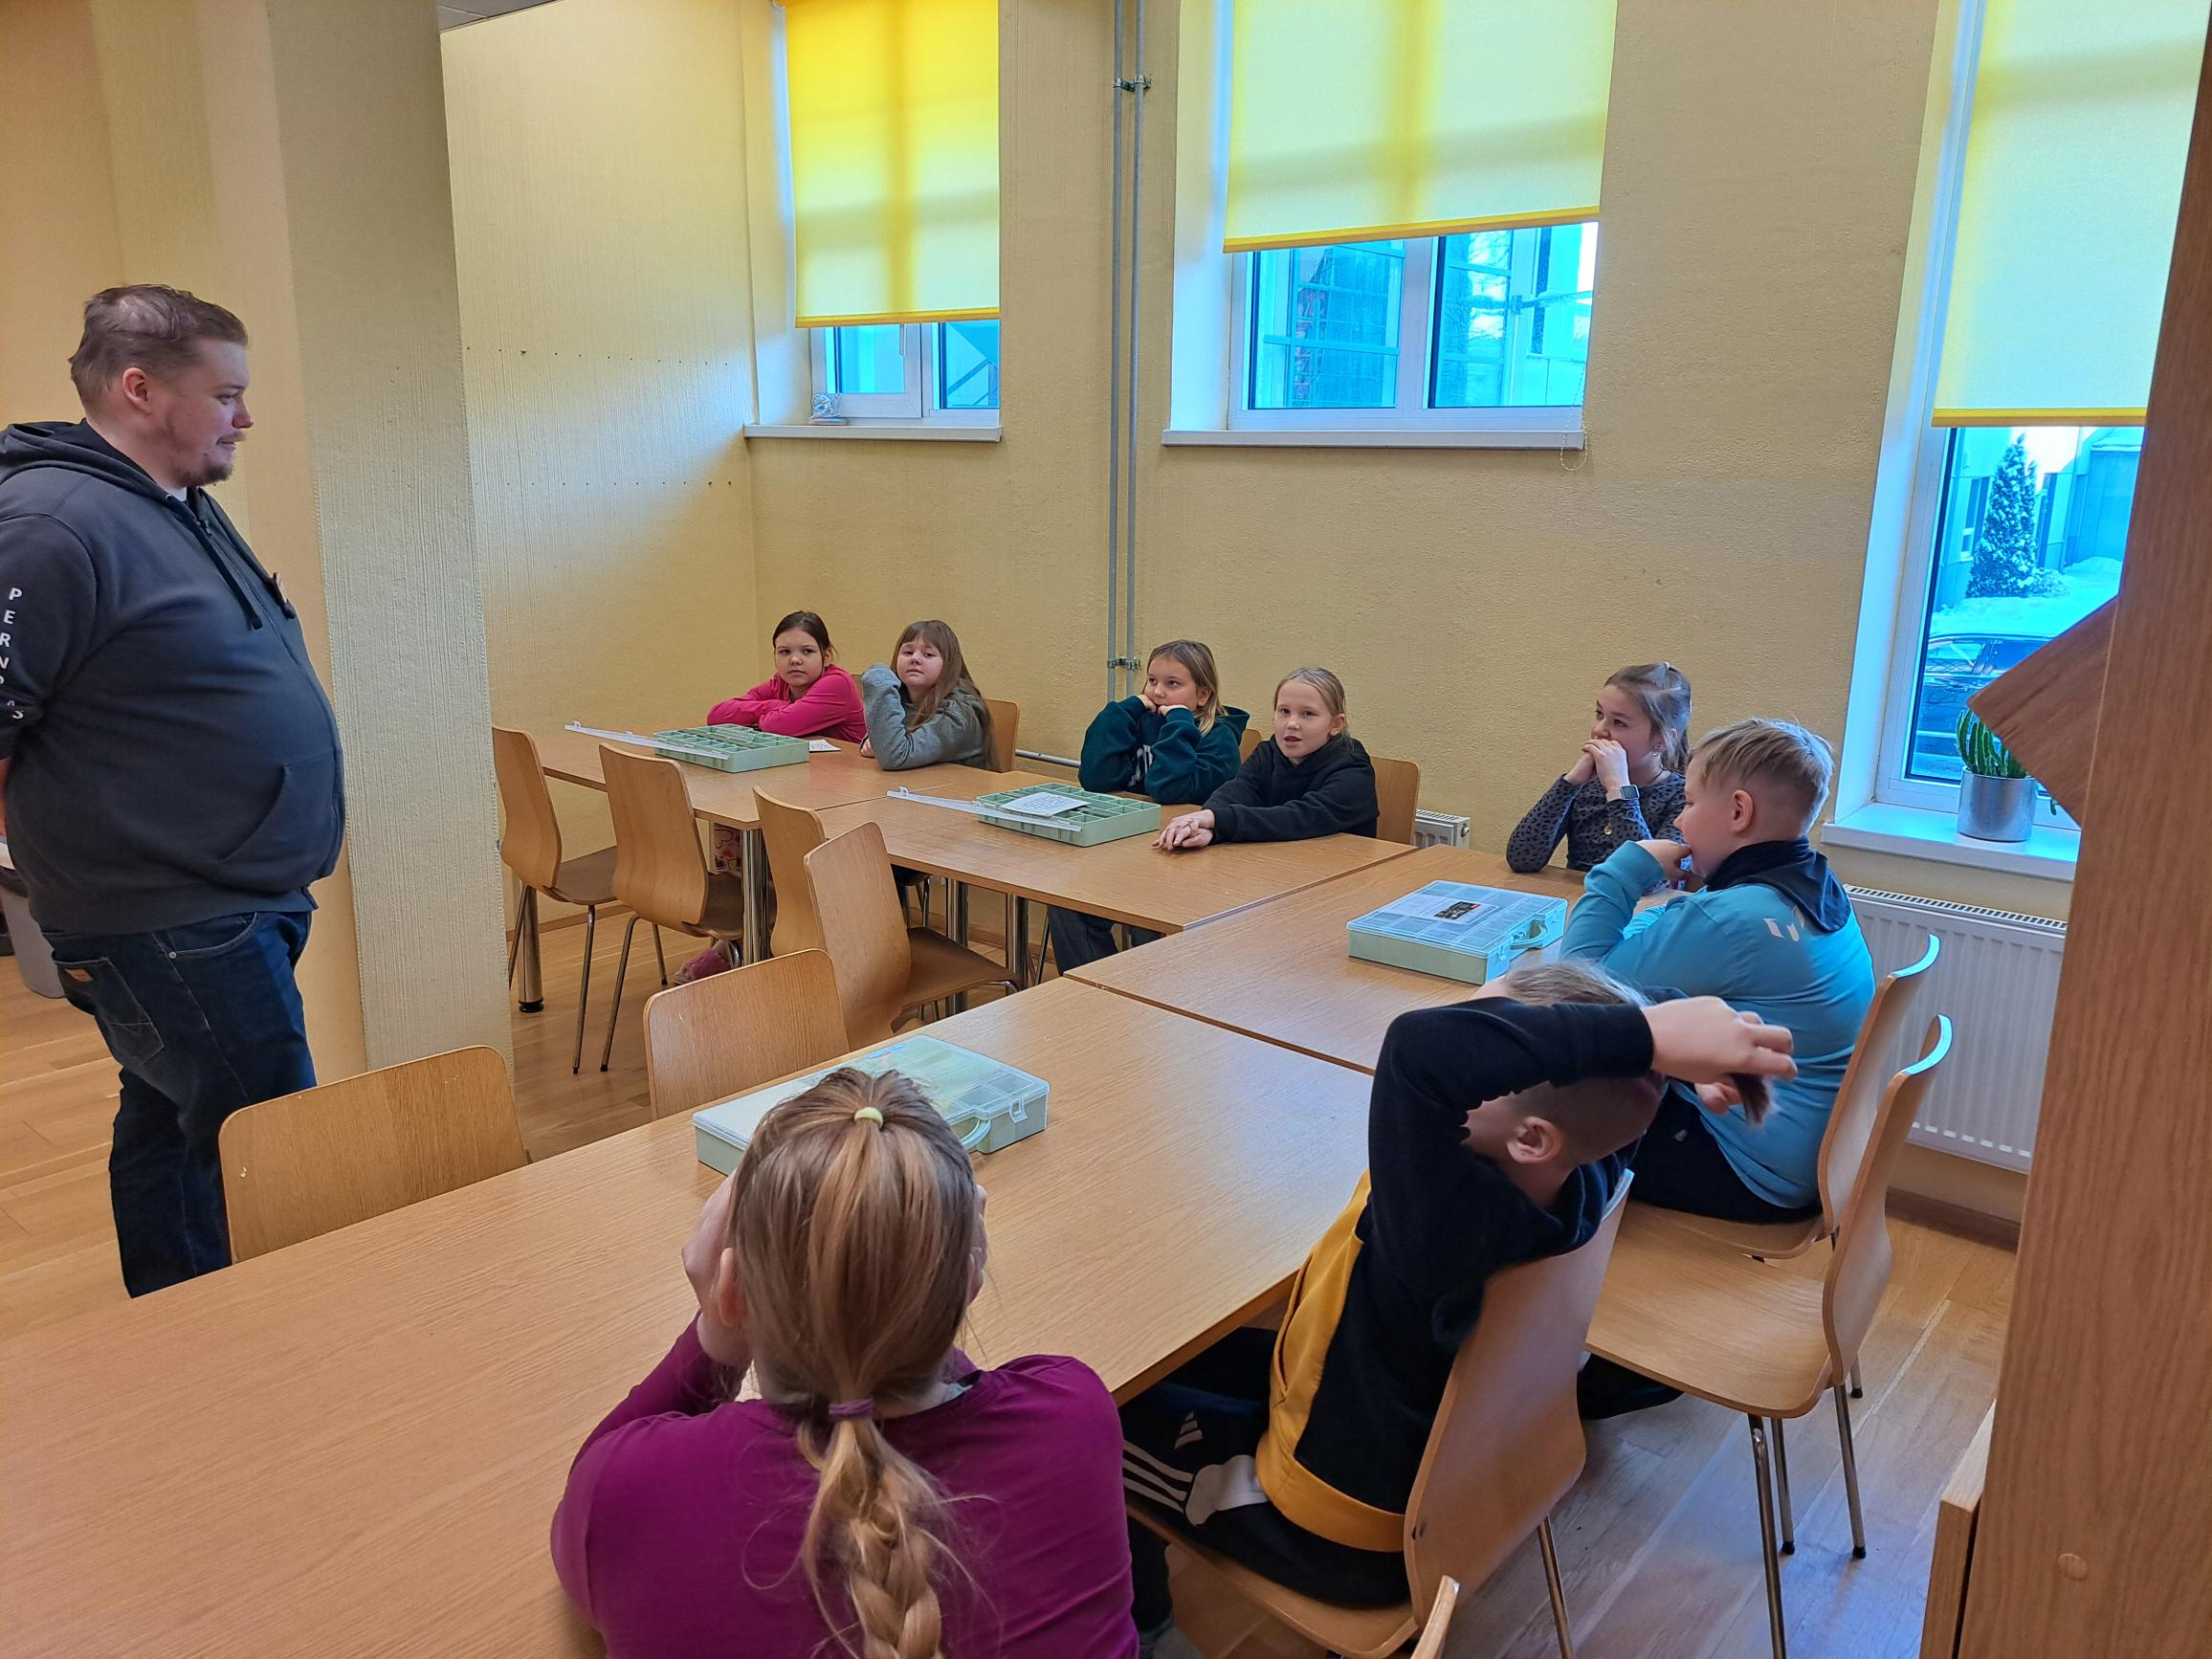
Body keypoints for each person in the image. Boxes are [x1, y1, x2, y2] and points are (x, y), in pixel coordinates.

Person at [1118, 965, 1798, 1651]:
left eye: (1494, 1039)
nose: (1477, 1037)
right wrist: (1654, 1049)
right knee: (1188, 1356)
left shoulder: (1443, 1221)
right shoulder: (1589, 1167)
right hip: (1406, 1442)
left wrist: (1648, 1035)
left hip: (1333, 1525)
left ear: (1531, 1136)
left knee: (1100, 1416)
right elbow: (1591, 1064)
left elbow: (1422, 1049)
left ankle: (1140, 1626)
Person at [0, 285, 343, 1296]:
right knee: (267, 1145)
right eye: (226, 395)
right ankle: (273, 1340)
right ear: (140, 389)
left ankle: (176, 1331)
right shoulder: (50, 527)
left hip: (228, 900)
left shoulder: (170, 499)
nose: (247, 417)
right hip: (167, 916)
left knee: (170, 1121)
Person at [553, 1069, 1138, 1658]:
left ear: (732, 1290)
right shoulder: (1070, 1417)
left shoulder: (631, 1494)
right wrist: (920, 1262)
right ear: (969, 1275)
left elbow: (583, 1521)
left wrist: (716, 1339)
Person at [1561, 718, 1875, 1223]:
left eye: (1689, 802)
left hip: (1743, 1168)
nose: (1679, 820)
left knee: (1534, 1102)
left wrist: (1624, 868)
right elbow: (1676, 924)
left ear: (1738, 811)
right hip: (1808, 1155)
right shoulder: (1807, 882)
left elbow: (1574, 989)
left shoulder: (1734, 919)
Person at [1049, 640, 1249, 972]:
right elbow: (1096, 779)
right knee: (1068, 903)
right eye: (1152, 680)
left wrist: (1179, 724)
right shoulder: (1140, 720)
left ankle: (1146, 990)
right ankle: (1095, 988)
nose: (1157, 692)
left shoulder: (1219, 739)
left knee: (1146, 921)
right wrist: (1123, 711)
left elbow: (1170, 790)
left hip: (1186, 861)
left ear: (1203, 694)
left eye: (1173, 683)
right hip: (1130, 847)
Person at [1155, 667, 1377, 852]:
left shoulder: (1353, 769)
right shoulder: (1268, 752)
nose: (1292, 723)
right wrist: (1204, 824)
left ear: (1336, 724)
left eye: (1308, 714)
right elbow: (1238, 789)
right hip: (1278, 862)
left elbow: (1301, 818)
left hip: (1339, 871)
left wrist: (1218, 821)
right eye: (1284, 711)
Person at [1506, 662, 1693, 874]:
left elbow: (1646, 878)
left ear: (1662, 740)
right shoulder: (1587, 786)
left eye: (1619, 723)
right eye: (1599, 714)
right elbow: (1521, 859)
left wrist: (1619, 790)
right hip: (1578, 894)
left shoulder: (1686, 798)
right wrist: (1570, 783)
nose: (1599, 730)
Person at [708, 608, 868, 743]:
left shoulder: (837, 683)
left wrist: (762, 716)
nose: (795, 660)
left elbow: (776, 727)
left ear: (826, 657)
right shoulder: (780, 683)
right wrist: (772, 706)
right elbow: (717, 716)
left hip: (853, 769)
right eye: (785, 652)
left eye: (807, 651)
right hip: (806, 766)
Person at [858, 618, 992, 770]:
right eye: (908, 652)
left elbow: (895, 756)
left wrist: (878, 679)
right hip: (912, 781)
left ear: (948, 664)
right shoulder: (900, 696)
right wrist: (876, 741)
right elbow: (881, 742)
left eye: (928, 654)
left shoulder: (959, 712)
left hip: (956, 784)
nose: (915, 659)